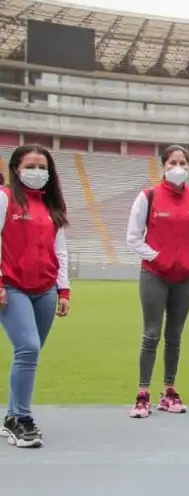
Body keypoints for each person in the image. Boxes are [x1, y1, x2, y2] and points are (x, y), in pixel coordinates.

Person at [125, 145, 189, 419]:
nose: (178, 167)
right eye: (172, 162)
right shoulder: (148, 196)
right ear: (162, 165)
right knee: (151, 334)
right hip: (154, 275)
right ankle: (143, 394)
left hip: (185, 277)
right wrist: (156, 257)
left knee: (174, 336)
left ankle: (169, 391)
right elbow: (133, 236)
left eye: (183, 162)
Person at [0, 144, 71, 448]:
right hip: (12, 287)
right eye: (30, 166)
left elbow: (60, 251)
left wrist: (63, 289)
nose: (37, 172)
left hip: (46, 290)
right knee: (27, 348)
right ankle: (23, 420)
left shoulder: (51, 206)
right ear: (16, 169)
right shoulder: (5, 198)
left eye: (43, 167)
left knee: (29, 353)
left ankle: (11, 416)